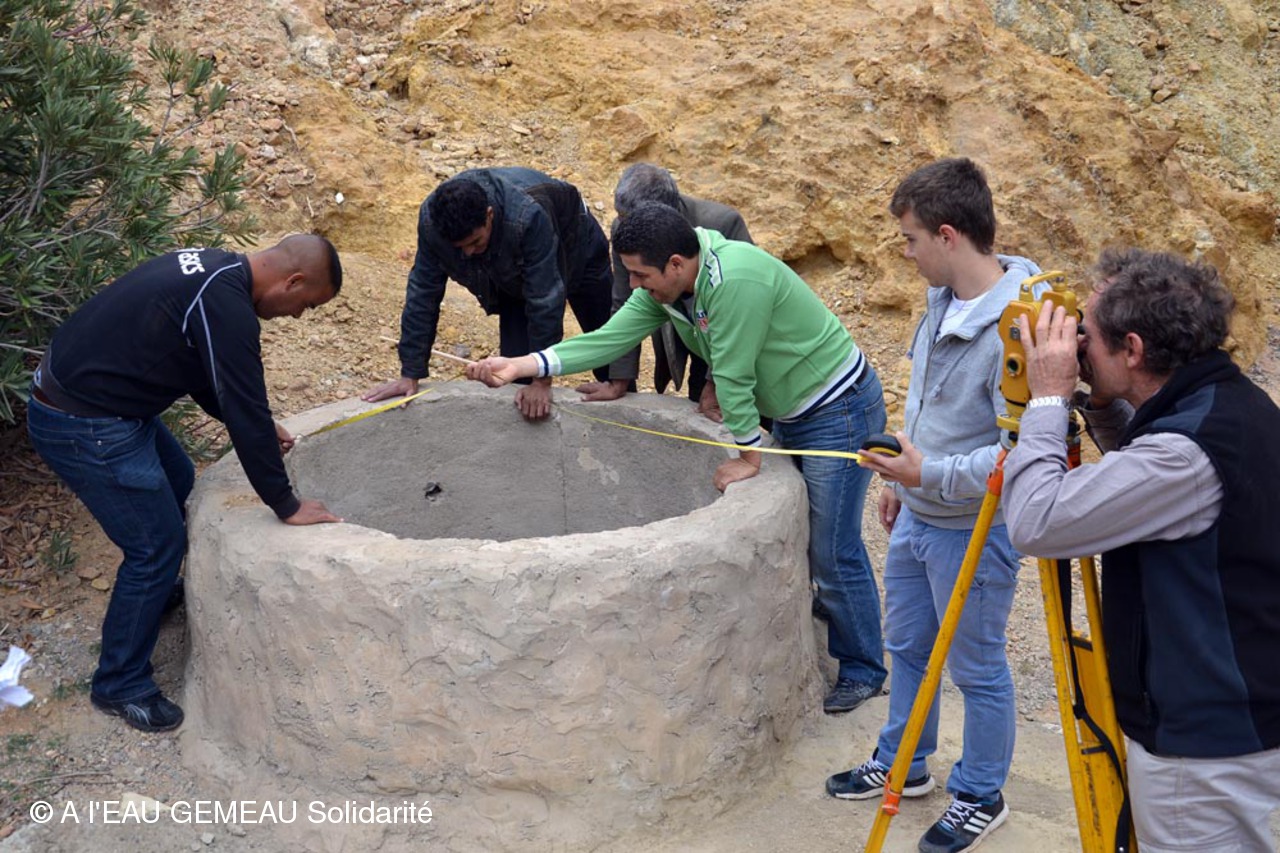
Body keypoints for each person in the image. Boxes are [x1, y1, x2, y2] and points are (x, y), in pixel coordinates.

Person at [465, 201, 889, 715]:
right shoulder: (670, 290)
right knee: (815, 535)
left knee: (833, 547)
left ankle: (863, 669)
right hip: (794, 407)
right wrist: (523, 365)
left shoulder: (735, 281)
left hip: (836, 408)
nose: (634, 285)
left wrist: (749, 456)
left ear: (675, 264)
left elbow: (733, 375)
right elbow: (607, 339)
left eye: (641, 275)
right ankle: (833, 618)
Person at [1003, 248, 1280, 853]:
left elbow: (1035, 521)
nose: (1077, 345)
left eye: (1088, 335)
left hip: (1202, 753)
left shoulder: (1186, 455)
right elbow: (1143, 476)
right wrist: (1103, 404)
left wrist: (1047, 399)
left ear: (1132, 349)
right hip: (1234, 718)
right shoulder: (1227, 403)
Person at [26, 234, 344, 733]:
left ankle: (152, 598)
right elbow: (243, 403)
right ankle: (120, 683)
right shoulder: (226, 305)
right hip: (85, 422)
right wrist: (286, 503)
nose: (298, 315)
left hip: (105, 404)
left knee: (181, 487)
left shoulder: (216, 270)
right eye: (306, 305)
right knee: (155, 546)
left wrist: (260, 426)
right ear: (293, 280)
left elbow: (207, 375)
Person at [826, 158, 1040, 853]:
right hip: (920, 514)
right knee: (908, 647)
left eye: (910, 239)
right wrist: (901, 478)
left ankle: (980, 793)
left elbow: (1019, 454)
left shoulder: (1021, 326)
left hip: (974, 529)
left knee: (977, 665)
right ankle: (905, 762)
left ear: (948, 235)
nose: (906, 253)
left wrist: (929, 472)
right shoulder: (942, 299)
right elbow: (926, 400)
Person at [362, 167, 614, 420]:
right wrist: (410, 372)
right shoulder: (433, 224)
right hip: (510, 271)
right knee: (516, 374)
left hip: (578, 246)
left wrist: (542, 381)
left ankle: (621, 412)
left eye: (475, 242)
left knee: (609, 350)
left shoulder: (527, 216)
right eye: (459, 248)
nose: (468, 253)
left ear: (489, 215)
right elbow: (423, 292)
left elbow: (545, 299)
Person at [574, 163, 753, 423]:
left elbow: (741, 316)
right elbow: (624, 301)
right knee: (697, 400)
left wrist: (716, 382)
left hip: (731, 336)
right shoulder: (626, 228)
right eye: (621, 217)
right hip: (684, 328)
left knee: (739, 405)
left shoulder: (722, 223)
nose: (623, 226)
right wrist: (619, 380)